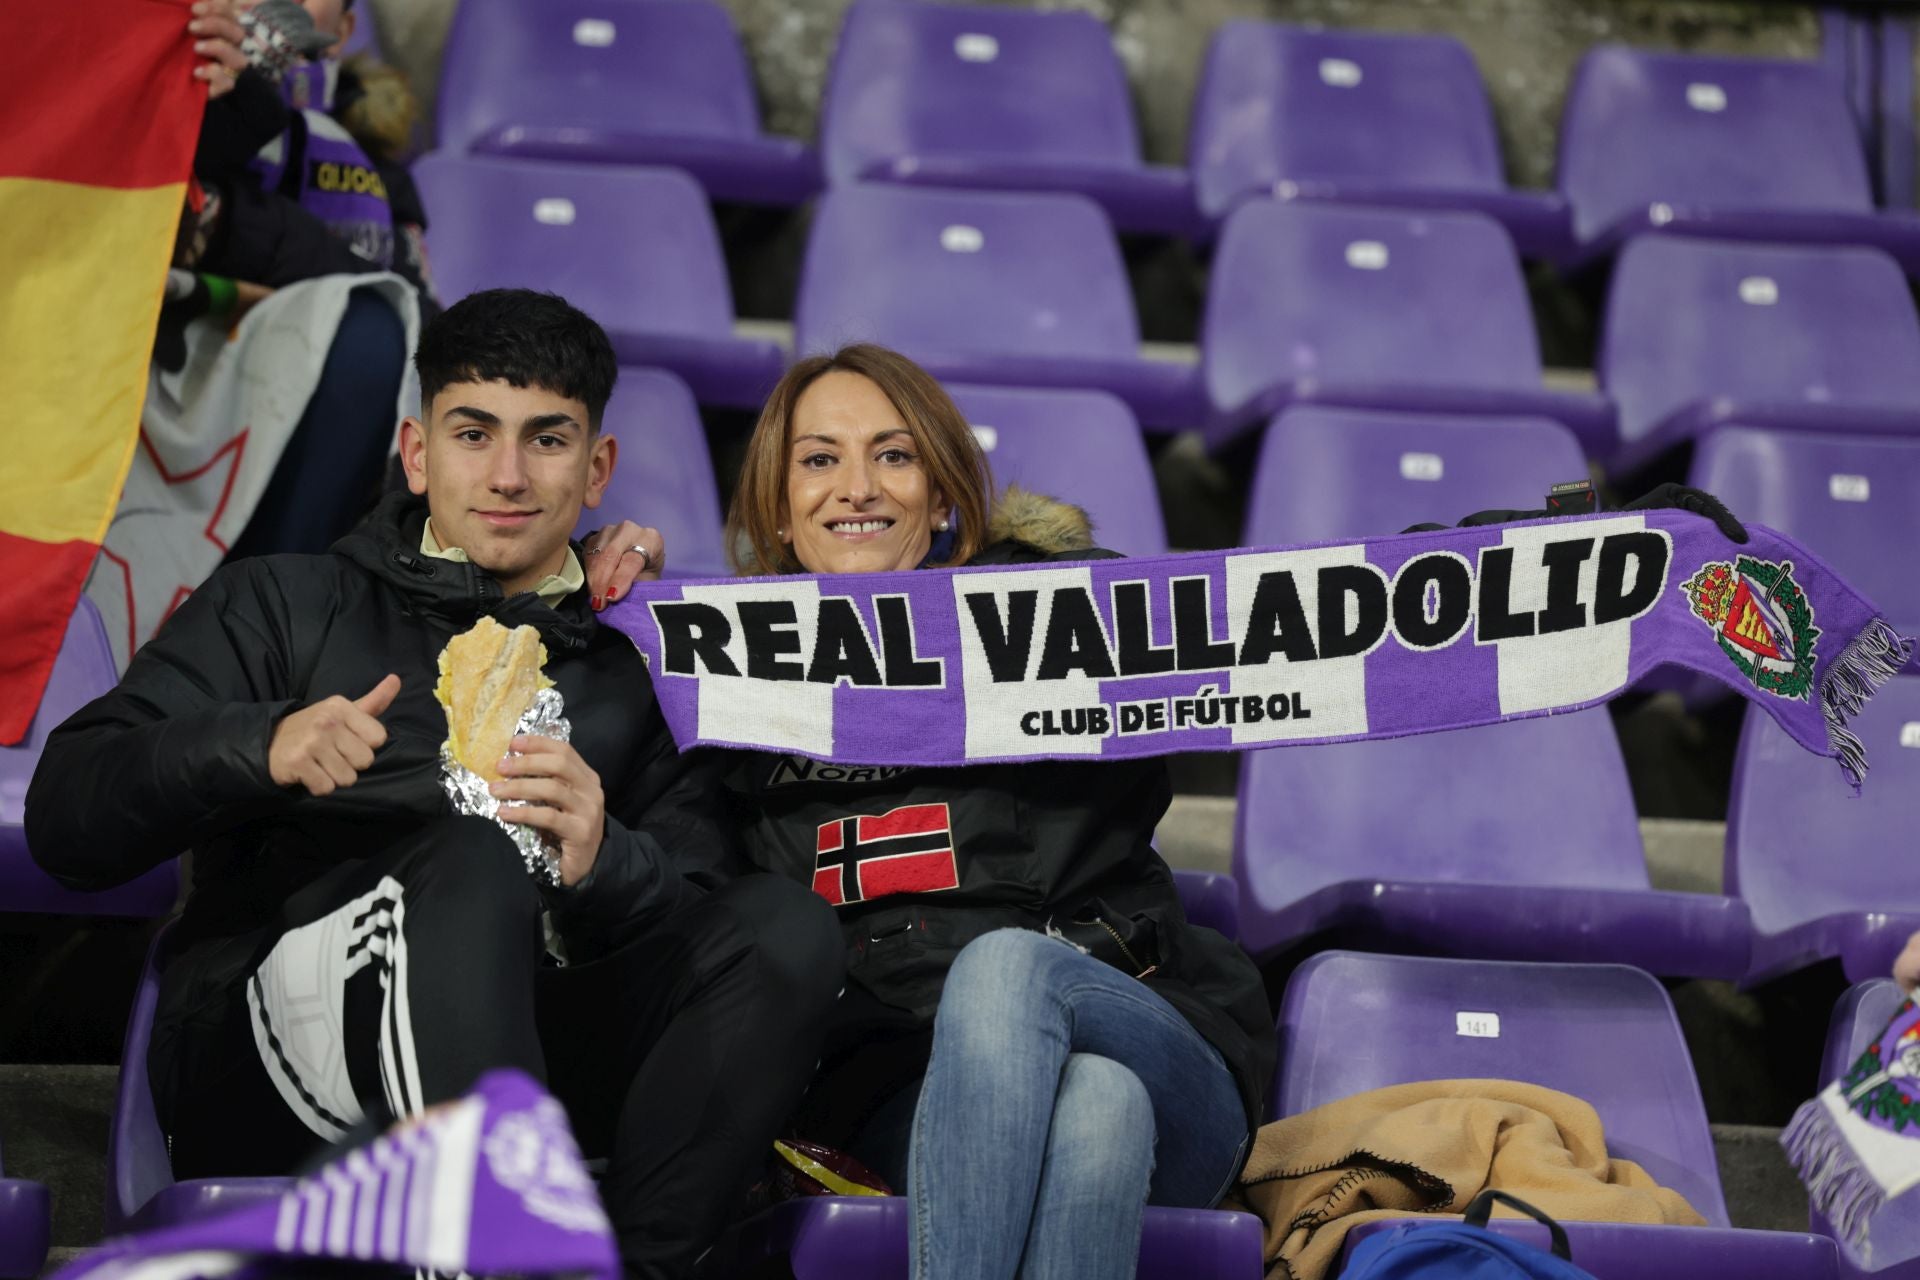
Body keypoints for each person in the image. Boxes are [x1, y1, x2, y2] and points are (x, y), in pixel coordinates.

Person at [27, 289, 843, 1280]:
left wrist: (609, 858)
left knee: (785, 928)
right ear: (416, 452)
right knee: (471, 862)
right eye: (473, 433)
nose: (507, 474)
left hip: (530, 1040)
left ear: (597, 470)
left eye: (546, 439)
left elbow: (705, 918)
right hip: (271, 1056)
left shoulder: (636, 667)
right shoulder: (287, 602)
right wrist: (257, 743)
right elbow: (65, 814)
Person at [718, 344, 1278, 1280]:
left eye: (894, 457)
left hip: (1142, 1024)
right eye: (819, 460)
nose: (857, 487)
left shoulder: (1046, 622)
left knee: (1008, 970)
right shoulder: (723, 689)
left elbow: (1179, 641)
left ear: (942, 500)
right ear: (779, 507)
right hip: (905, 1094)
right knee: (1099, 1111)